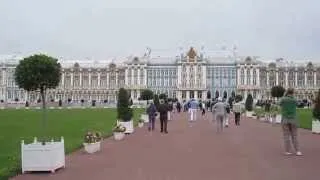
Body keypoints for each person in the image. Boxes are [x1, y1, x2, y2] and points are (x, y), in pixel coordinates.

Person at [279, 88, 302, 156]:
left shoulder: (283, 99)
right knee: (294, 135)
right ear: (293, 92)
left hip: (285, 119)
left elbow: (280, 104)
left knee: (286, 136)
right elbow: (298, 104)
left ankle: (287, 151)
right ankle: (297, 151)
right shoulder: (294, 99)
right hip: (293, 119)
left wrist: (284, 96)